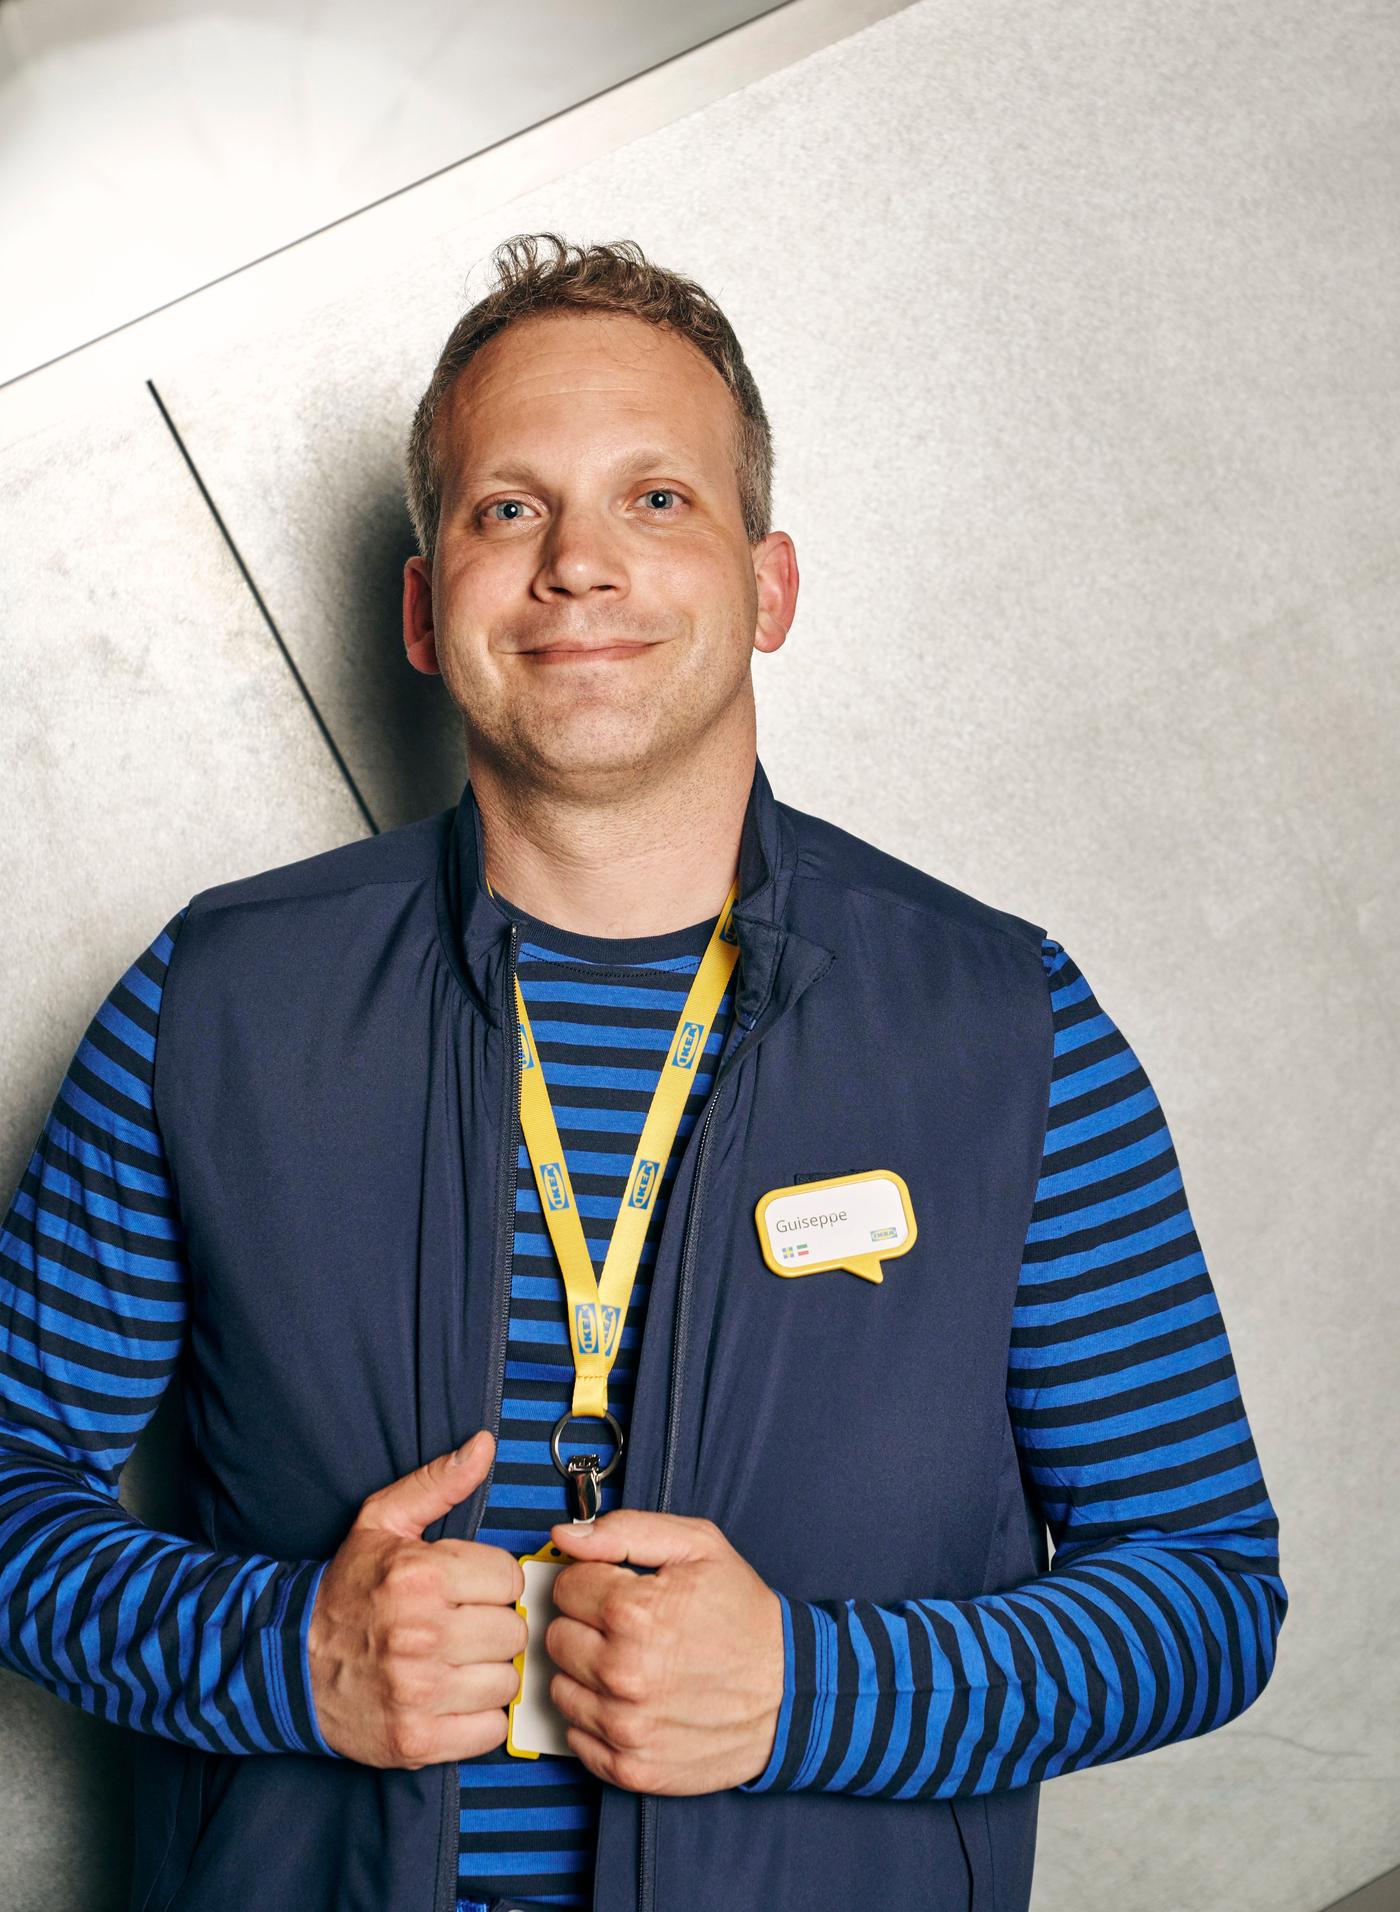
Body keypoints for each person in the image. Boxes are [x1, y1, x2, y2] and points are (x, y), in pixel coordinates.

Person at [0, 231, 1286, 1912]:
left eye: (657, 500)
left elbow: (1203, 1594)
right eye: (507, 508)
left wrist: (809, 1694)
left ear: (771, 585)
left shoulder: (1004, 1026)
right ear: (420, 604)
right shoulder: (217, 1003)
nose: (576, 567)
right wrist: (283, 1655)